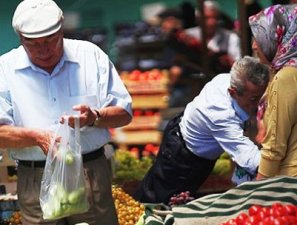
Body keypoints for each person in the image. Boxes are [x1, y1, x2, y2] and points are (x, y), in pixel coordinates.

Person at [0, 0, 132, 224]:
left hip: (91, 174)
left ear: (62, 29)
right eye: (33, 44)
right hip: (36, 180)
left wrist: (95, 117)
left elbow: (124, 113)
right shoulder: (5, 68)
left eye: (51, 40)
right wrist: (37, 137)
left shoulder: (90, 57)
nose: (43, 50)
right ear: (20, 38)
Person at [133, 56, 270, 204]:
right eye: (253, 99)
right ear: (233, 92)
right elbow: (251, 159)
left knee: (158, 187)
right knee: (161, 201)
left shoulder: (226, 79)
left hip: (181, 134)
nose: (258, 104)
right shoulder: (220, 114)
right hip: (183, 157)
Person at [248, 4, 297, 180]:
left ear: (278, 37)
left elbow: (274, 147)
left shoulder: (286, 77)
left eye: (260, 37)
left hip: (291, 182)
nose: (254, 45)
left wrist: (256, 190)